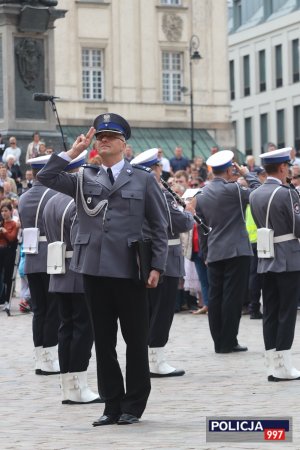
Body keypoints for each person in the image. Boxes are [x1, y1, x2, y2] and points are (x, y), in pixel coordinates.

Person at [37, 113, 168, 426]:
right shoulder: (84, 175)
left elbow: (159, 226)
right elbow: (46, 178)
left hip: (130, 268)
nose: (103, 141)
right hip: (94, 270)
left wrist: (157, 266)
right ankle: (112, 403)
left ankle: (133, 404)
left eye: (110, 137)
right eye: (100, 137)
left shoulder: (143, 179)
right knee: (103, 341)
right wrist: (71, 154)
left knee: (135, 340)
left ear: (124, 144)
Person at [43, 151, 101, 405]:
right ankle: (78, 384)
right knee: (83, 330)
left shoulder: (52, 201)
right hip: (78, 270)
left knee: (66, 328)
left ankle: (69, 385)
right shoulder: (76, 201)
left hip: (59, 270)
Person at [131, 148, 194, 377]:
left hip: (146, 255)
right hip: (164, 255)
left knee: (148, 310)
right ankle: (156, 360)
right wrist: (188, 211)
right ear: (154, 169)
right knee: (162, 310)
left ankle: (148, 358)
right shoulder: (160, 193)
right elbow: (179, 223)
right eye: (159, 167)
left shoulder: (136, 191)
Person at [192, 150, 260, 354]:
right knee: (232, 297)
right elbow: (258, 194)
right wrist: (248, 174)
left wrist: (205, 253)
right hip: (236, 251)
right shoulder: (234, 190)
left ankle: (219, 342)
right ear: (230, 168)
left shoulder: (201, 195)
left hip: (213, 251)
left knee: (215, 297)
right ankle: (229, 341)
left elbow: (202, 229)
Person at [250, 148, 300, 381]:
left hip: (265, 258)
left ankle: (271, 362)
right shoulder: (286, 193)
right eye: (287, 167)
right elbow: (296, 226)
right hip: (288, 258)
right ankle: (284, 366)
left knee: (269, 310)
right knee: (286, 312)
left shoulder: (255, 193)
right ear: (282, 168)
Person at [18, 156, 60, 375]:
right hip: (50, 256)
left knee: (39, 309)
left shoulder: (23, 197)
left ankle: (39, 356)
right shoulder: (53, 193)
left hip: (31, 257)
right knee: (53, 309)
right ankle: (50, 357)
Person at [0, 201, 19, 309]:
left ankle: (7, 300)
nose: (4, 213)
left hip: (9, 253)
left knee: (8, 277)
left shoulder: (14, 224)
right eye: (2, 211)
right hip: (1, 251)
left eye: (6, 211)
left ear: (11, 211)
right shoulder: (1, 223)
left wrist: (4, 231)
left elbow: (12, 238)